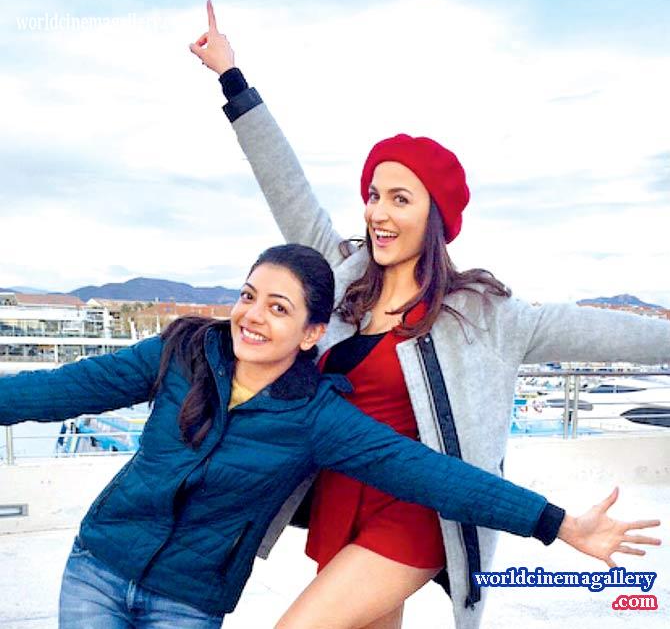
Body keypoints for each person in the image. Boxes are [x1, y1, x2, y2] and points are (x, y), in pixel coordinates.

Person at [189, 1, 670, 629]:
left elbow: (606, 332)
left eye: (400, 198)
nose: (378, 212)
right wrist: (232, 78)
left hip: (418, 507)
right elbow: (285, 183)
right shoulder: (342, 277)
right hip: (341, 497)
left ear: (434, 215)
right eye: (373, 195)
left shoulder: (483, 314)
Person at [0, 244, 662, 629]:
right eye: (248, 296)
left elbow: (432, 473)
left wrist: (556, 523)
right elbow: (56, 391)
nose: (253, 316)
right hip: (98, 567)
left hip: (187, 600)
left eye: (278, 308)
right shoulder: (182, 352)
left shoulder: (316, 415)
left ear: (312, 333)